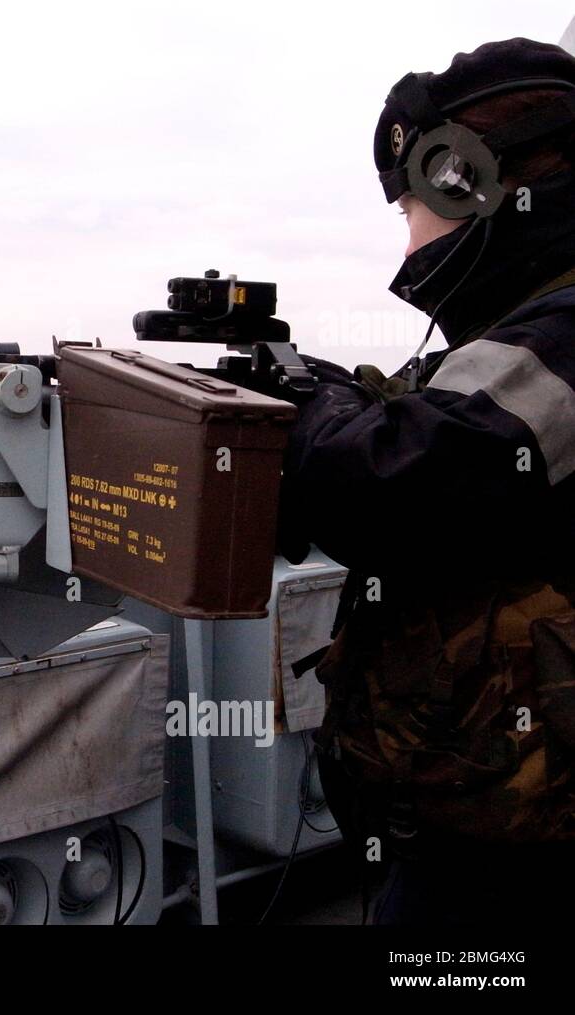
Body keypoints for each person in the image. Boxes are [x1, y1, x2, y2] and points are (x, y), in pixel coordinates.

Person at [277, 38, 575, 925]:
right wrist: (325, 393)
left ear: (467, 180)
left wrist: (296, 412)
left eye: (412, 204)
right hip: (483, 825)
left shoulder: (561, 335)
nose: (409, 235)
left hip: (519, 857)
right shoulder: (529, 334)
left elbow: (386, 485)